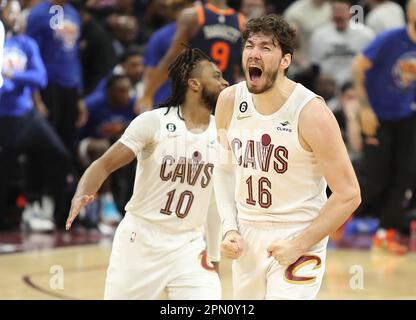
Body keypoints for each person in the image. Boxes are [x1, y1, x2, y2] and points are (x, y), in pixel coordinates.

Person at [214, 14, 361, 300]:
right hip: (247, 234)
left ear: (285, 61)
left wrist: (300, 243)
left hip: (300, 233)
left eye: (266, 48)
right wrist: (228, 228)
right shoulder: (228, 101)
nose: (254, 53)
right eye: (249, 45)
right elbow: (224, 169)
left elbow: (349, 194)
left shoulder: (310, 113)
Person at [66, 47, 229, 299]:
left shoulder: (222, 133)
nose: (225, 82)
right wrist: (82, 192)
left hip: (189, 245)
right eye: (217, 76)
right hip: (140, 241)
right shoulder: (154, 122)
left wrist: (215, 256)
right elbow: (104, 164)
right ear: (194, 84)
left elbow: (214, 202)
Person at [0, 0, 72, 231]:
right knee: (5, 172)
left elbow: (39, 78)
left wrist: (10, 74)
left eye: (17, 12)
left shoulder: (26, 43)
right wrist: (14, 81)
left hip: (27, 115)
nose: (15, 17)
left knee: (60, 156)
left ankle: (50, 210)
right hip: (4, 118)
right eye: (10, 11)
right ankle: (8, 218)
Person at [352, 0, 416, 255]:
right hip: (376, 116)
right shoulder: (391, 39)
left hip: (406, 116)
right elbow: (358, 67)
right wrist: (364, 108)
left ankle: (386, 232)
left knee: (405, 175)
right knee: (375, 176)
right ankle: (336, 215)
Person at [137, 0, 244, 111]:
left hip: (194, 93)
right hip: (223, 94)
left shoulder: (192, 16)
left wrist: (148, 93)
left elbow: (172, 58)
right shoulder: (242, 22)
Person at [309, 0, 374, 87]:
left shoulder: (366, 34)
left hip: (355, 85)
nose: (338, 15)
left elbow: (372, 63)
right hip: (328, 87)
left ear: (350, 12)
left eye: (342, 11)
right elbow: (315, 66)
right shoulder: (319, 35)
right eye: (335, 11)